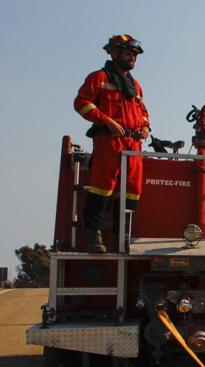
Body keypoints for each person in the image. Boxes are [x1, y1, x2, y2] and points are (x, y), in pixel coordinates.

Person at [74, 34, 150, 253]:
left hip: (134, 145)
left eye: (135, 55)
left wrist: (146, 126)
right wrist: (105, 120)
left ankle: (121, 236)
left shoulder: (135, 85)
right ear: (114, 53)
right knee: (102, 187)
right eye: (128, 53)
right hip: (110, 141)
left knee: (132, 190)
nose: (132, 58)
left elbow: (142, 111)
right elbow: (81, 103)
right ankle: (94, 235)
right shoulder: (98, 77)